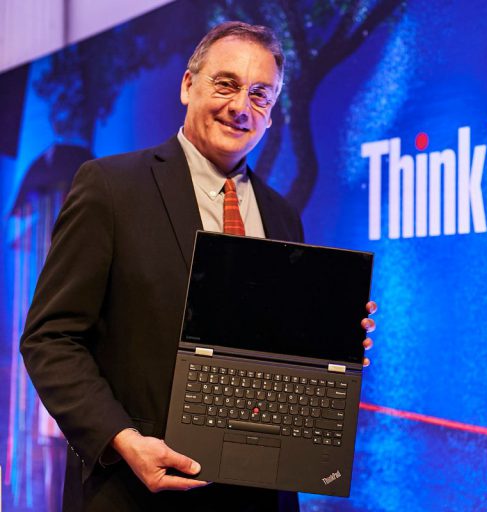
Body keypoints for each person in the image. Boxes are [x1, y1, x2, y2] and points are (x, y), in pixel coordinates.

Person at [20, 21, 376, 512]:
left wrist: (329, 342)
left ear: (272, 114)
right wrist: (122, 439)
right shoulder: (110, 187)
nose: (241, 107)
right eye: (226, 84)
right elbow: (50, 339)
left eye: (260, 95)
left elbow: (269, 347)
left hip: (259, 496)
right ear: (188, 85)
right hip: (135, 491)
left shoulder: (282, 215)